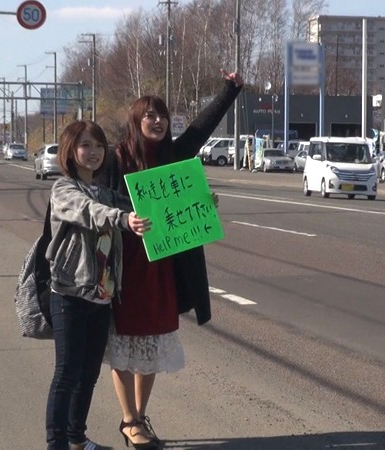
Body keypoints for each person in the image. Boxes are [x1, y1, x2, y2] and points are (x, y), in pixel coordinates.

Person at [95, 69, 243, 448]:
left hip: (161, 270)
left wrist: (230, 90)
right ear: (136, 120)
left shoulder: (173, 156)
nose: (157, 121)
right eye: (150, 115)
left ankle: (139, 417)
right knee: (123, 344)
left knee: (152, 342)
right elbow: (100, 202)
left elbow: (199, 130)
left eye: (161, 115)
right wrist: (127, 216)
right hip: (125, 269)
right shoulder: (116, 159)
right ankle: (129, 419)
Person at [45, 120, 150, 450]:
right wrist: (122, 219)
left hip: (102, 297)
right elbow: (89, 212)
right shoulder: (63, 189)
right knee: (67, 373)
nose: (93, 152)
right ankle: (56, 444)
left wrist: (198, 204)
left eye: (99, 145)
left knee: (88, 375)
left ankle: (76, 439)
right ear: (70, 151)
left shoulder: (106, 193)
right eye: (85, 145)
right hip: (69, 294)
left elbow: (144, 207)